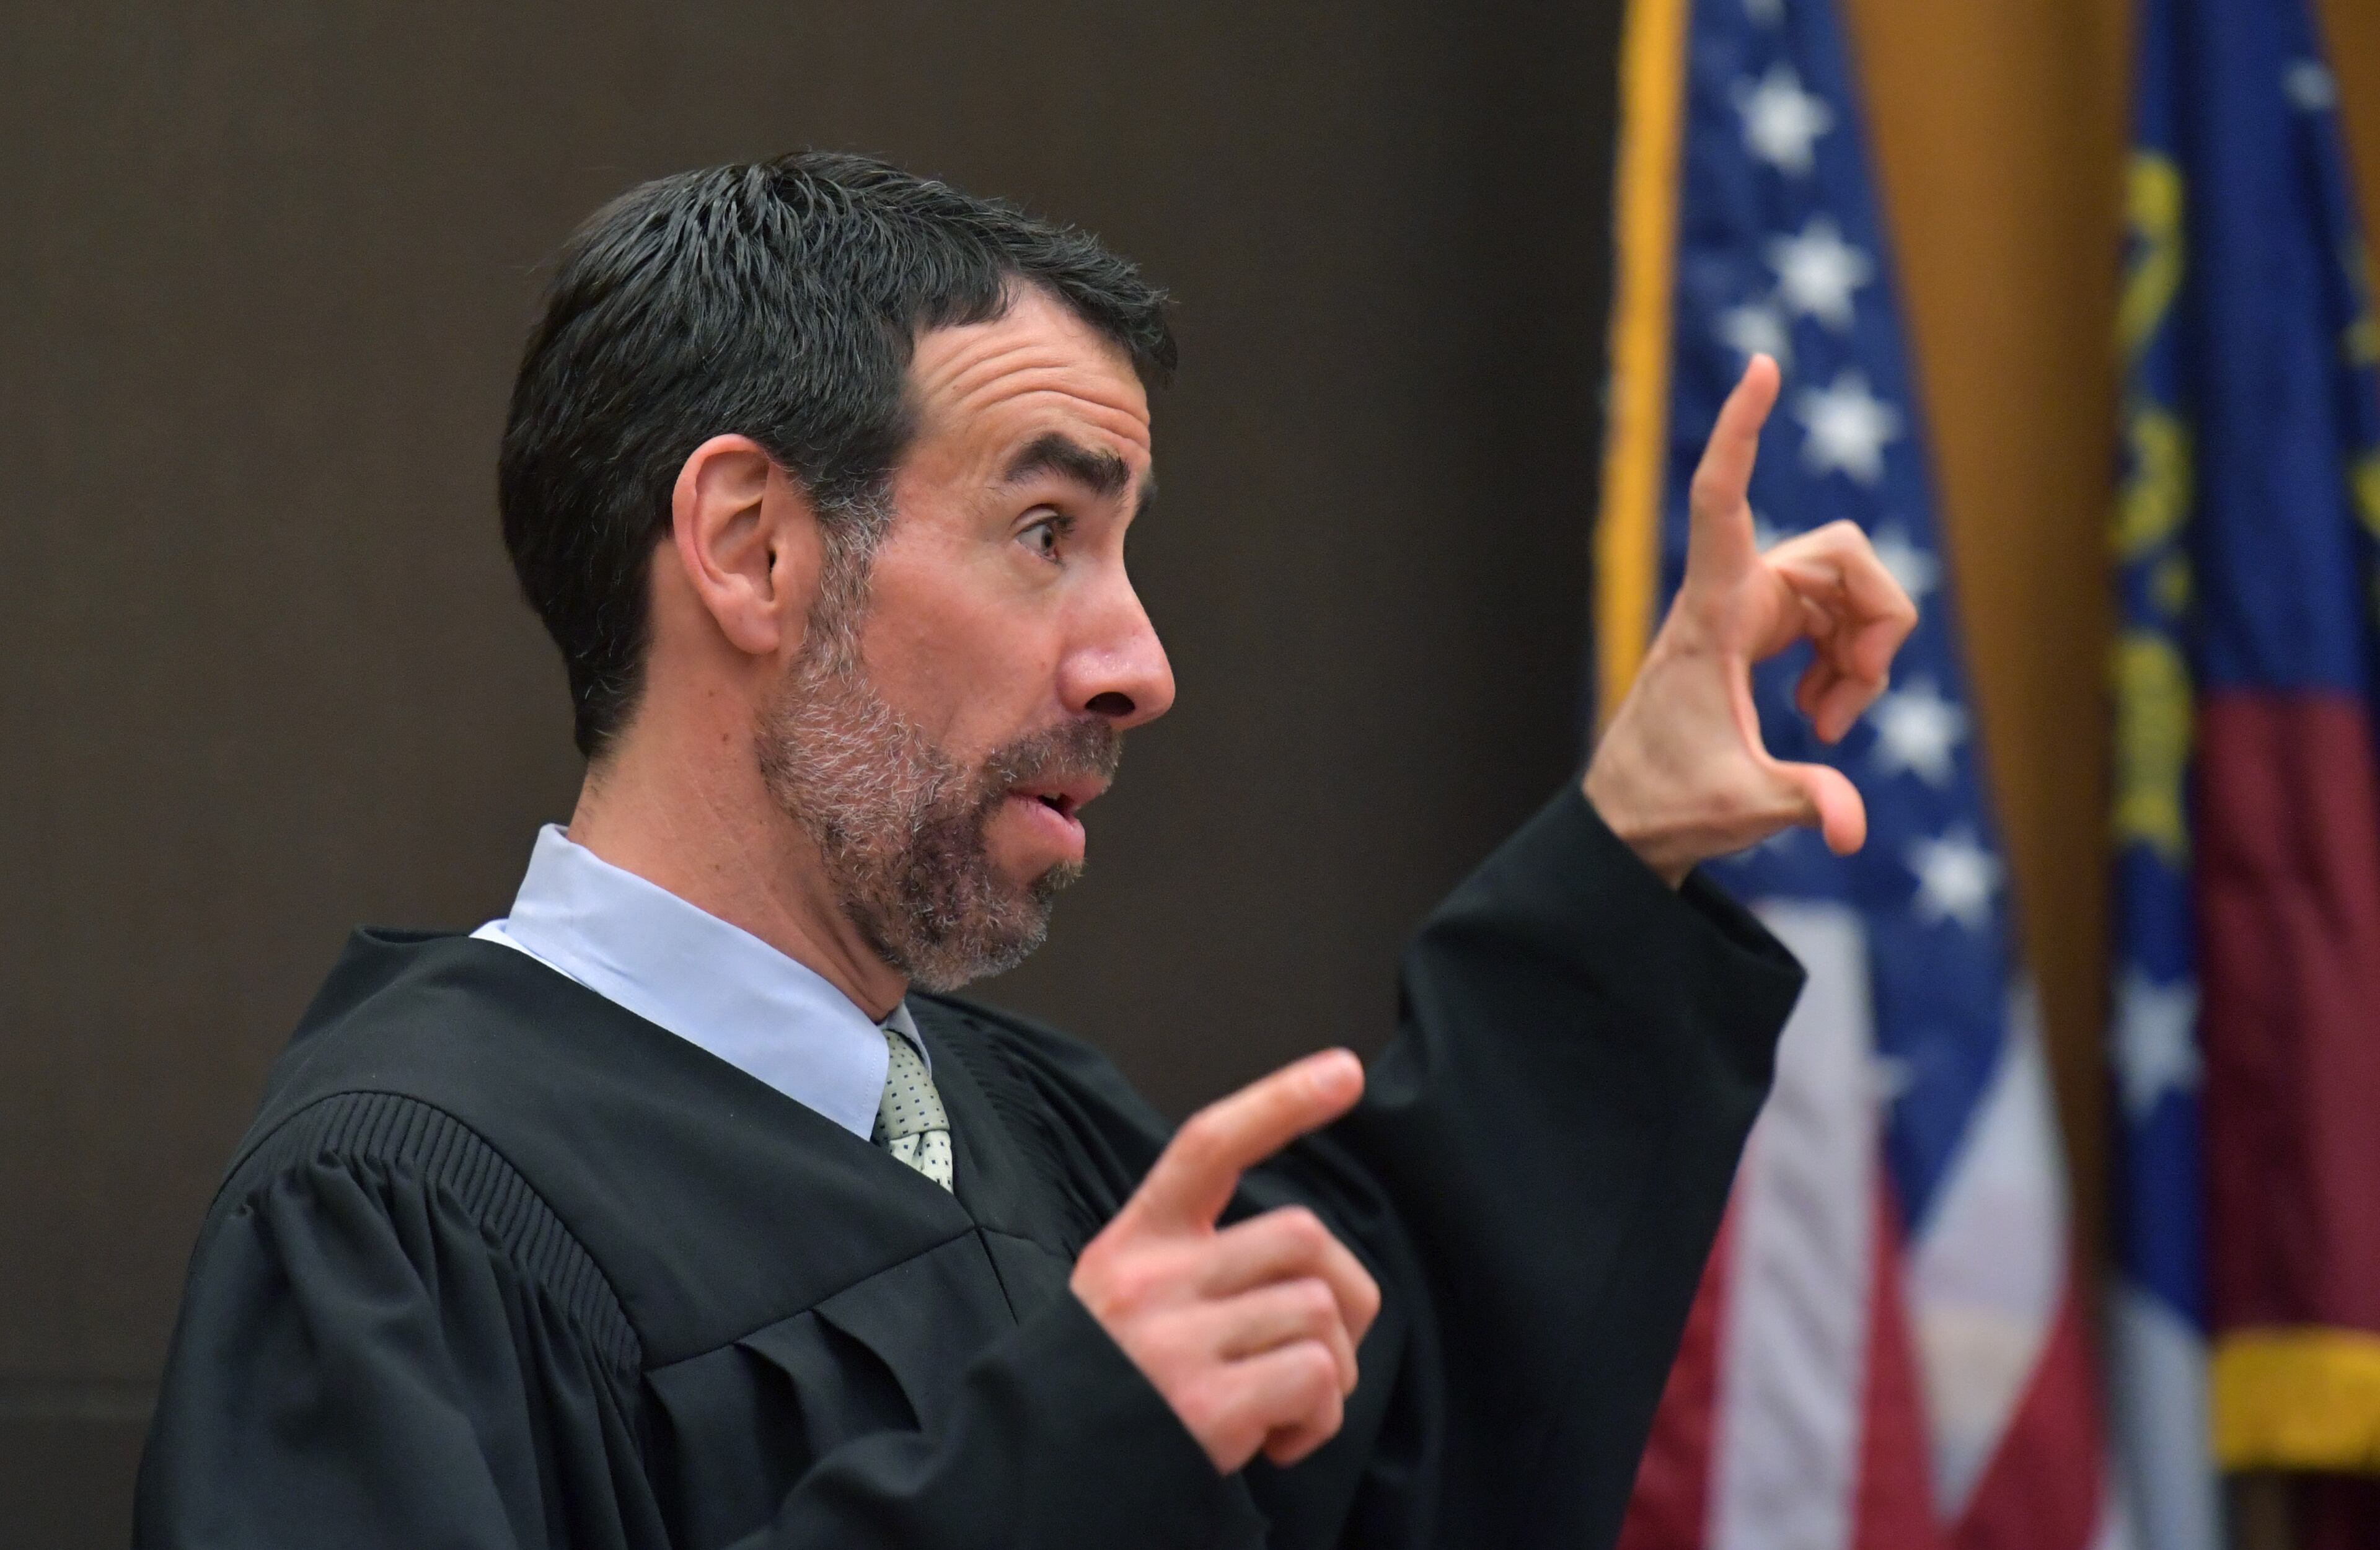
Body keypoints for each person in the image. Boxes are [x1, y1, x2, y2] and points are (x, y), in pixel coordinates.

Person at [133, 152, 1913, 1549]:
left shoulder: (1028, 1128)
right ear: (751, 548)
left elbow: (1396, 1455)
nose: (1140, 665)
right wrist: (1054, 1466)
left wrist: (1629, 849)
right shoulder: (394, 1219)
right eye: (1044, 529)